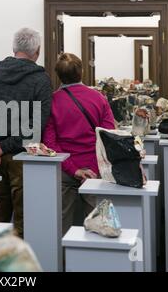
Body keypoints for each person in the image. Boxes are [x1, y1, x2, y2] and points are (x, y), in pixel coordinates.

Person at [0, 28, 53, 237]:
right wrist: (5, 146)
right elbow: (37, 124)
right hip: (22, 157)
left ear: (13, 49)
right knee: (24, 219)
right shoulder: (41, 80)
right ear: (37, 51)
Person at [43, 53, 115, 236]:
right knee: (102, 227)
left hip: (65, 171)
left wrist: (74, 170)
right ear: (82, 71)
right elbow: (108, 137)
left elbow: (51, 144)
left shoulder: (52, 101)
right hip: (95, 170)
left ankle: (63, 263)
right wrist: (90, 169)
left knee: (62, 225)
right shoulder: (99, 98)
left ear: (58, 75)